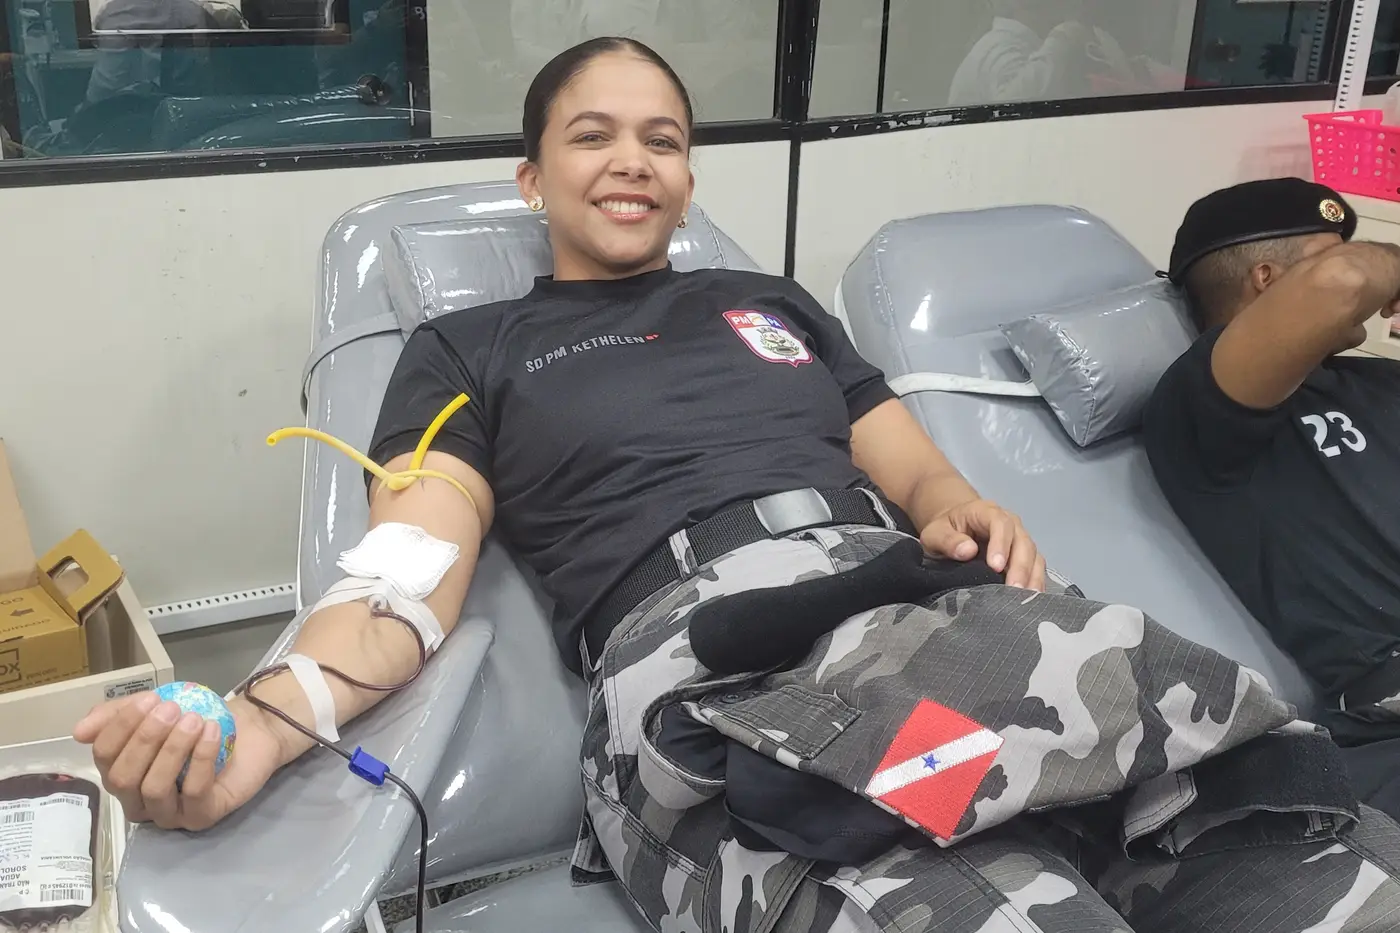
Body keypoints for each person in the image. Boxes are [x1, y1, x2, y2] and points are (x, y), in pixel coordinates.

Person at [74, 42, 1400, 933]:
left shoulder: (766, 302)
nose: (632, 159)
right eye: (592, 136)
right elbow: (403, 574)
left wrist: (956, 503)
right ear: (533, 177)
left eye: (662, 138)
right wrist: (265, 724)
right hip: (714, 664)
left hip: (923, 610)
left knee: (1278, 833)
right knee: (966, 893)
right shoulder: (470, 347)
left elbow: (898, 454)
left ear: (688, 176)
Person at [1144, 177, 1400, 748]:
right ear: (1268, 279)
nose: (1371, 290)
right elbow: (1341, 282)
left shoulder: (1376, 379)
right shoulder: (1203, 407)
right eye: (1335, 251)